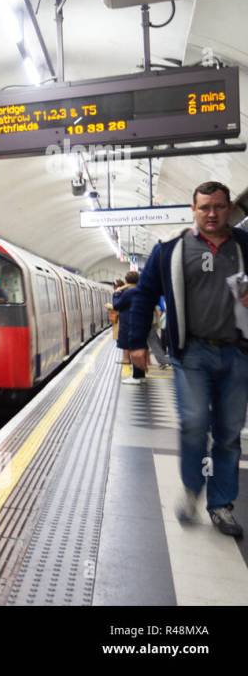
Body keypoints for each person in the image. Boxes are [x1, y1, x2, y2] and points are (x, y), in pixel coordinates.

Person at [128, 181, 248, 538]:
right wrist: (137, 343)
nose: (212, 213)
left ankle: (222, 505)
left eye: (219, 207)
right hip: (192, 351)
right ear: (193, 210)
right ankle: (193, 488)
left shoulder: (244, 247)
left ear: (229, 209)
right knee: (194, 423)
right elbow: (144, 295)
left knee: (228, 432)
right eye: (204, 207)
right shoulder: (170, 251)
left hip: (238, 352)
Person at [112, 271, 144, 384]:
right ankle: (140, 375)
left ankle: (137, 376)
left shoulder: (129, 292)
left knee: (133, 348)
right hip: (140, 322)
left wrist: (116, 293)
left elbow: (117, 305)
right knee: (138, 347)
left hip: (130, 322)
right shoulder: (141, 291)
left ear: (126, 281)